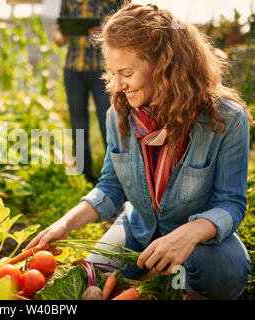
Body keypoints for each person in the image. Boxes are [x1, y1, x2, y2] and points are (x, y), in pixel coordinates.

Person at [27, 3, 252, 300]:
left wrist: (190, 233)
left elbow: (231, 203)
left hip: (198, 239)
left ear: (164, 66)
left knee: (227, 275)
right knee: (90, 278)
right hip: (139, 227)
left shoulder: (226, 119)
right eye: (113, 73)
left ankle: (170, 276)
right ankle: (156, 278)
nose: (118, 86)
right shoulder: (119, 114)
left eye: (127, 73)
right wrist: (66, 223)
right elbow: (110, 186)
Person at [54, 0, 125, 184]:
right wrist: (66, 33)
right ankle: (85, 176)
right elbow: (58, 38)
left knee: (109, 122)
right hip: (73, 69)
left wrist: (106, 32)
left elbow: (128, 30)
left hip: (103, 70)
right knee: (78, 125)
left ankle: (116, 177)